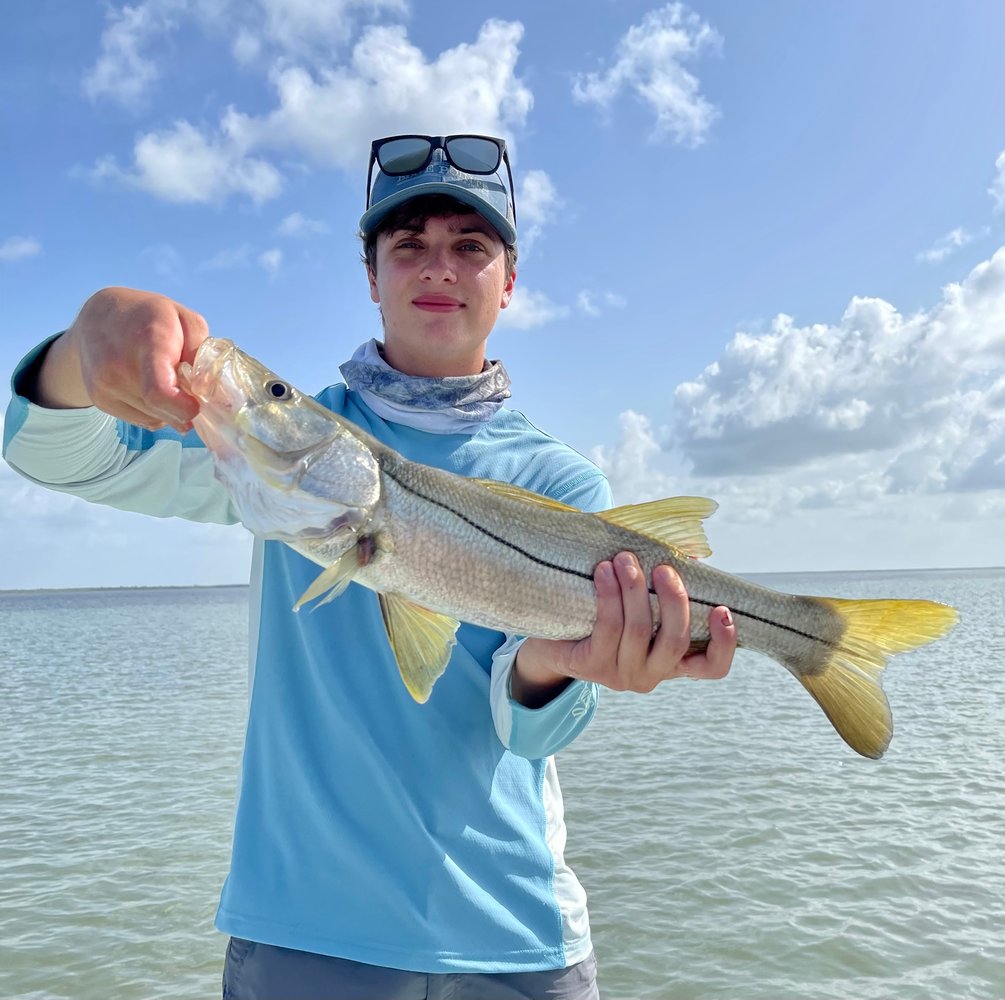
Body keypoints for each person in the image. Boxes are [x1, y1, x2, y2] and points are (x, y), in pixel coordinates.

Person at [3, 133, 736, 999]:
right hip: (304, 930)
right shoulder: (278, 459)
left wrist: (556, 666)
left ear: (509, 280)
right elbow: (61, 455)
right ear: (371, 275)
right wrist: (78, 354)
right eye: (408, 245)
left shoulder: (562, 480)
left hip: (513, 940)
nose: (439, 267)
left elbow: (530, 732)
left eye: (471, 246)